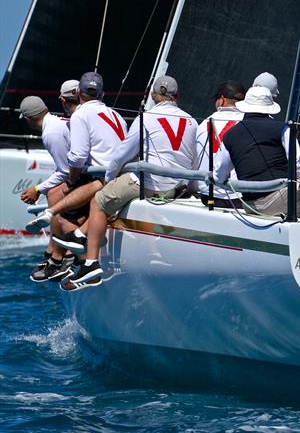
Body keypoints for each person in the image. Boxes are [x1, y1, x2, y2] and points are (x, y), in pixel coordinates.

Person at [60, 76, 197, 290]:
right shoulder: (191, 121)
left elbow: (122, 154)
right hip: (177, 189)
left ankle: (91, 263)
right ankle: (80, 236)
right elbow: (194, 160)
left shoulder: (147, 118)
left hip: (151, 184)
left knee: (99, 201)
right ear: (177, 97)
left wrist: (109, 179)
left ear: (153, 95)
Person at [214, 87, 300, 254]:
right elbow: (299, 168)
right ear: (269, 108)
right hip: (282, 196)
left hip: (251, 204)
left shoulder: (230, 135)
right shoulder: (282, 128)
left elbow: (219, 175)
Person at [26, 72, 128, 238]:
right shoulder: (116, 114)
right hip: (121, 174)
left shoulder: (80, 115)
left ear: (79, 93)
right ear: (102, 94)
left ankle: (64, 251)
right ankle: (64, 240)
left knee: (59, 206)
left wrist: (71, 182)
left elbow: (78, 158)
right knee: (59, 194)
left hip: (104, 176)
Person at [17, 95, 75, 281]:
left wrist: (37, 189)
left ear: (28, 118)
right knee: (54, 190)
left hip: (90, 175)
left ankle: (60, 256)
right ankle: (55, 251)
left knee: (54, 194)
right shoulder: (57, 122)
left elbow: (66, 171)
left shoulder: (50, 134)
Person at [195, 80, 246, 208]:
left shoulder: (203, 125)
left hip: (207, 195)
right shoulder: (247, 125)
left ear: (221, 100)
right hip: (237, 197)